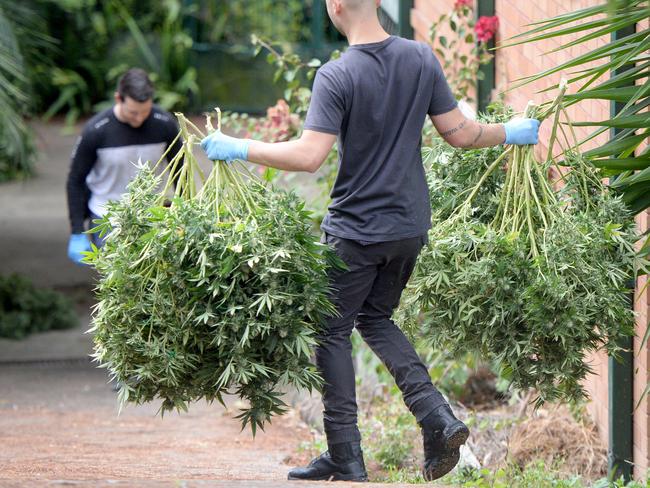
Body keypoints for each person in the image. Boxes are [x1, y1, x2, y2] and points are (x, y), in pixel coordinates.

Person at [201, 0, 540, 482]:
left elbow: (309, 156)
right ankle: (437, 418)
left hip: (356, 231)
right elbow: (460, 135)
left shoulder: (336, 76)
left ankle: (346, 456)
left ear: (335, 6)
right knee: (376, 317)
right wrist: (512, 132)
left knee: (330, 331)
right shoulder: (420, 58)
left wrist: (239, 146)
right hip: (409, 226)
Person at [66, 68, 182, 264]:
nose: (139, 119)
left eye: (145, 112)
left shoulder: (165, 125)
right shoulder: (96, 130)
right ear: (118, 98)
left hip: (152, 214)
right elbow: (75, 180)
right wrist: (77, 231)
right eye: (133, 112)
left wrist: (183, 208)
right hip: (107, 217)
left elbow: (180, 170)